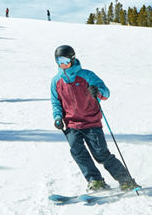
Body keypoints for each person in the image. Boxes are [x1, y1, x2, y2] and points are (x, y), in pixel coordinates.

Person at [50, 44, 137, 191]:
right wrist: (58, 117)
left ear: (72, 58)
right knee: (78, 152)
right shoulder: (56, 81)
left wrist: (97, 91)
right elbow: (56, 102)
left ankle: (126, 180)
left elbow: (106, 93)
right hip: (71, 124)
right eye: (59, 61)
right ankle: (95, 180)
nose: (63, 64)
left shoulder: (87, 75)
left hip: (91, 122)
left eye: (65, 60)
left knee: (100, 154)